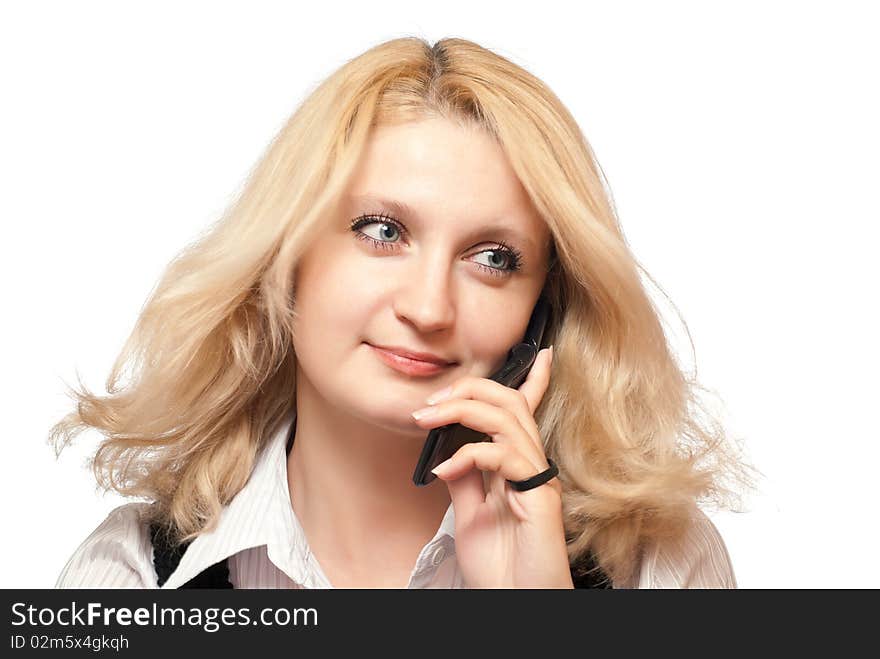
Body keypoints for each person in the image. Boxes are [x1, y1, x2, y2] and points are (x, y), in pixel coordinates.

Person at [51, 36, 755, 589]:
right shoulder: (135, 577)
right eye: (383, 231)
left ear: (542, 318)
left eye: (494, 258)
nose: (428, 307)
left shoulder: (657, 567)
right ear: (286, 257)